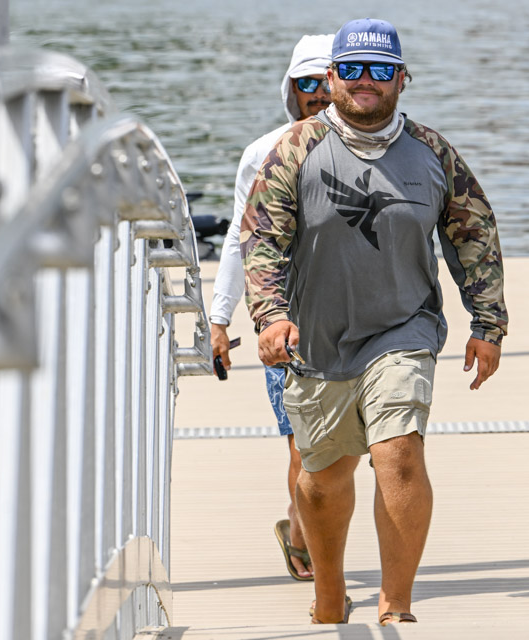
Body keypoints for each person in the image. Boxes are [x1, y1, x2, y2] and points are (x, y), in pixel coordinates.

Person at [240, 18, 507, 626]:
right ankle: (329, 591)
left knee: (399, 451)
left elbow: (475, 236)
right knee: (323, 477)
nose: (367, 81)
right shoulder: (296, 148)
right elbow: (262, 241)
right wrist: (270, 316)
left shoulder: (433, 152)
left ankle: (396, 603)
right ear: (331, 78)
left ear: (402, 79)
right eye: (354, 69)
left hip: (404, 328)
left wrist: (487, 323)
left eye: (381, 70)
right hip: (317, 339)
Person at [210, 33, 335, 582]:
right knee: (305, 449)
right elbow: (240, 240)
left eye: (325, 80)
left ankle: (300, 527)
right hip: (286, 322)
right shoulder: (262, 153)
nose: (317, 94)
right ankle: (312, 551)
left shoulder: (377, 149)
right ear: (291, 89)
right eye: (305, 83)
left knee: (354, 451)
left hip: (357, 320)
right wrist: (219, 320)